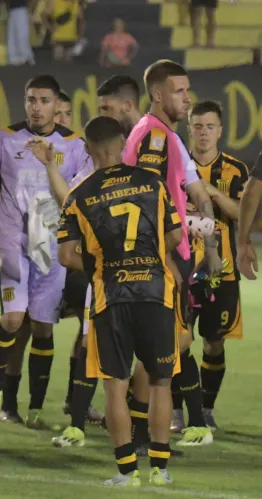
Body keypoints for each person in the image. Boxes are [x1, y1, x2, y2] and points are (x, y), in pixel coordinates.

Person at [0, 74, 92, 430]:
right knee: (14, 320)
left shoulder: (75, 146)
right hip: (13, 243)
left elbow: (82, 199)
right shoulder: (4, 138)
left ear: (57, 105)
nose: (36, 107)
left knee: (43, 326)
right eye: (31, 100)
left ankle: (35, 410)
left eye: (44, 100)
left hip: (52, 248)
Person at [57, 115, 182, 487]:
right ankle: (160, 469)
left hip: (110, 296)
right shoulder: (152, 182)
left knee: (115, 384)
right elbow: (176, 236)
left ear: (88, 149)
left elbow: (66, 255)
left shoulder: (78, 195)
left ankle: (127, 471)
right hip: (155, 293)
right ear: (123, 143)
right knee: (160, 382)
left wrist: (101, 264)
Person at [123, 59, 216, 448]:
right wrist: (163, 258)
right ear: (158, 95)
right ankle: (135, 429)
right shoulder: (154, 138)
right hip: (160, 256)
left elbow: (191, 193)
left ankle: (136, 428)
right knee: (163, 348)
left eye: (187, 89)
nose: (187, 98)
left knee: (173, 344)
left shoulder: (168, 137)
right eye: (179, 91)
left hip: (174, 253)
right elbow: (145, 200)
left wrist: (206, 238)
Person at [51, 74, 145, 448]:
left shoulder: (146, 149)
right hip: (130, 275)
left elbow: (69, 222)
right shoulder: (131, 169)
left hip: (123, 275)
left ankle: (131, 432)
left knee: (112, 349)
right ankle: (88, 423)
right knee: (103, 346)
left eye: (107, 107)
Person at [183, 100, 248, 432]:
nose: (204, 133)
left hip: (221, 271)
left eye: (210, 126)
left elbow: (244, 215)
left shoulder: (235, 170)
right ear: (189, 129)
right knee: (177, 340)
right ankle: (177, 410)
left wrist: (212, 193)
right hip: (181, 269)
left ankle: (206, 408)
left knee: (213, 342)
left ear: (220, 131)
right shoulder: (177, 166)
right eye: (197, 126)